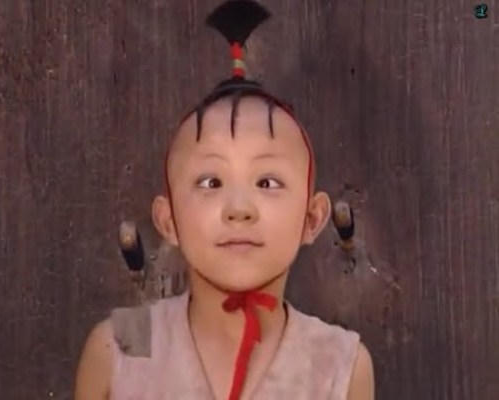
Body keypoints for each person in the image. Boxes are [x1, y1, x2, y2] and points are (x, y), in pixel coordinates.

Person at [74, 1, 374, 399]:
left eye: (267, 182)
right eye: (210, 181)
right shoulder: (120, 343)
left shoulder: (339, 361)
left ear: (312, 218)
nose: (239, 209)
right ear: (168, 220)